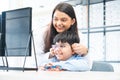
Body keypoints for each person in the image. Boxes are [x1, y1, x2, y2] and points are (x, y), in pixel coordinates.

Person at [34, 2, 89, 67]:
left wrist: (85, 52)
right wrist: (50, 55)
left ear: (72, 21)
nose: (59, 23)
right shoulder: (43, 34)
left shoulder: (79, 36)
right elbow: (34, 61)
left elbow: (87, 64)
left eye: (63, 20)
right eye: (55, 19)